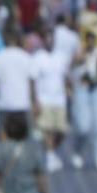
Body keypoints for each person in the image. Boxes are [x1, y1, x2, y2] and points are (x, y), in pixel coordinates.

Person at [68, 25, 97, 171]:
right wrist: (81, 59)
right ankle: (78, 151)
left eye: (93, 39)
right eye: (89, 39)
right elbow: (71, 69)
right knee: (83, 126)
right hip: (83, 89)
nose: (91, 42)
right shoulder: (79, 52)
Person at [28, 28, 68, 170]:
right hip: (44, 99)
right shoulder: (38, 57)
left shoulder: (61, 56)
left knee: (62, 131)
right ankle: (50, 156)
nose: (49, 41)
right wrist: (35, 101)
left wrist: (69, 91)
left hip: (60, 99)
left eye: (51, 38)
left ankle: (50, 151)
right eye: (47, 38)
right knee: (48, 130)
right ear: (43, 41)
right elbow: (32, 80)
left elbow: (65, 76)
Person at [0, 27, 37, 127]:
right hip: (23, 104)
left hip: (5, 104)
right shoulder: (27, 57)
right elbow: (31, 83)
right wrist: (34, 102)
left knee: (5, 138)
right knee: (23, 139)